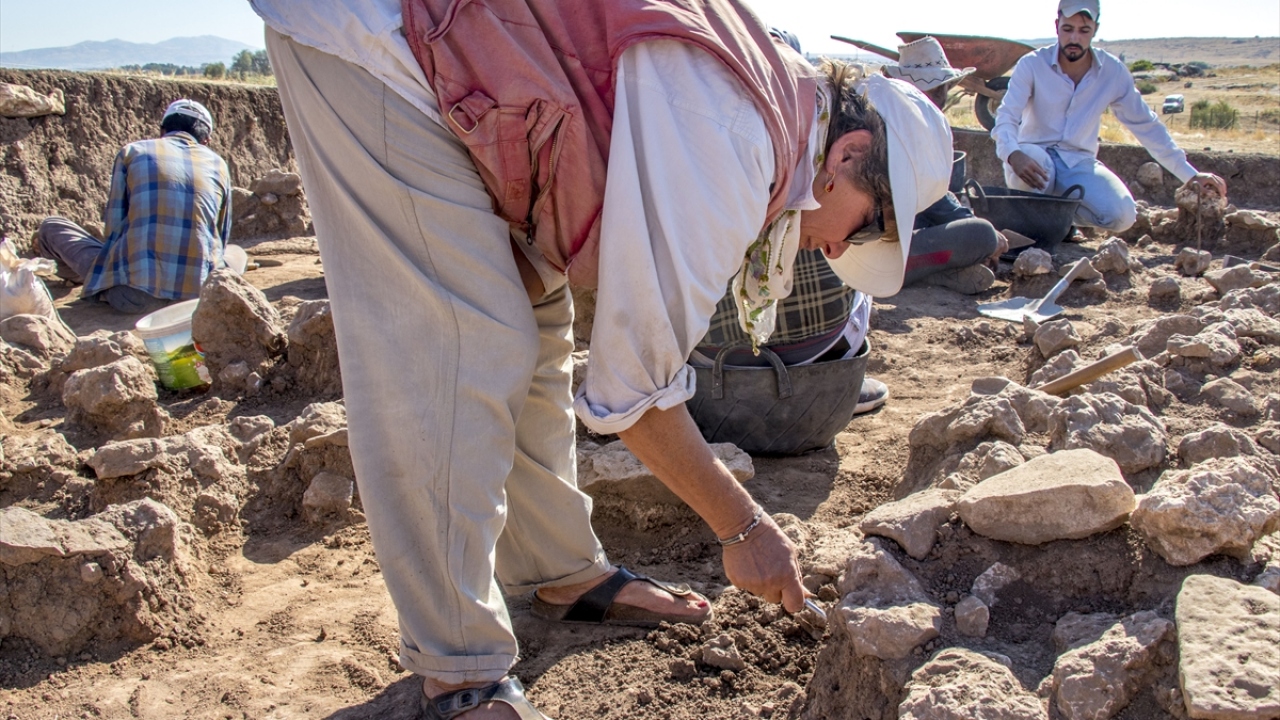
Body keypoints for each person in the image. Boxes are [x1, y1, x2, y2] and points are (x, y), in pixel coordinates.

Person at [252, 0, 952, 716]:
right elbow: (636, 394)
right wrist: (743, 529)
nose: (837, 249)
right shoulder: (734, 132)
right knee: (457, 343)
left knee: (532, 317)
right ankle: (460, 668)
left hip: (469, 74)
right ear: (847, 155)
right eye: (866, 227)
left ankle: (555, 569)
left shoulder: (772, 107)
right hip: (380, 42)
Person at [993, 0, 1227, 234]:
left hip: (1077, 161)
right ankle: (1032, 229)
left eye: (1084, 30)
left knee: (1122, 215)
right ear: (1057, 26)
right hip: (1033, 156)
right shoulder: (1032, 65)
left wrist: (1190, 175)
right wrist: (1013, 154)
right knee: (1035, 161)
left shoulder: (1112, 72)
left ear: (1095, 29)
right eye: (1068, 29)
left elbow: (1146, 125)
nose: (1074, 38)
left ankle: (1060, 221)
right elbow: (1007, 115)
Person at [34, 99, 233, 314]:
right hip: (198, 298)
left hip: (133, 297)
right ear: (206, 140)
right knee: (230, 255)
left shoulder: (133, 152)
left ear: (162, 130)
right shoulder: (219, 165)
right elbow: (220, 239)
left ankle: (79, 278)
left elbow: (113, 230)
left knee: (52, 227)